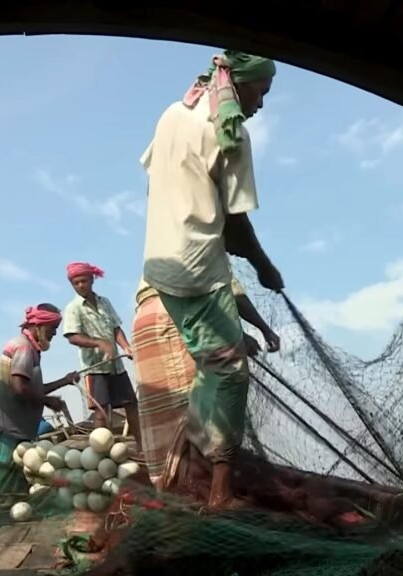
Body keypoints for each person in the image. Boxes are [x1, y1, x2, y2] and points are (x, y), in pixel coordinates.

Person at [140, 50, 284, 509]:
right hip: (197, 271)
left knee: (210, 365)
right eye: (260, 91)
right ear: (239, 82)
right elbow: (237, 225)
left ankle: (190, 471)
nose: (260, 103)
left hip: (160, 267)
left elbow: (156, 175)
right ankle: (219, 492)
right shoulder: (231, 133)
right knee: (230, 372)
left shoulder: (173, 113)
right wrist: (264, 265)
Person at [132, 271, 280, 488]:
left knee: (167, 417)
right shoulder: (205, 238)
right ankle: (200, 488)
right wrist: (263, 330)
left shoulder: (162, 240)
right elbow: (228, 291)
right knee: (200, 405)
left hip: (147, 320)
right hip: (174, 317)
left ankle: (170, 484)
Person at [0, 304, 78, 496]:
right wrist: (47, 401)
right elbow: (19, 388)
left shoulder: (30, 349)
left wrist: (64, 381)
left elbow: (31, 388)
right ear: (40, 326)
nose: (54, 333)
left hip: (16, 430)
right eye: (52, 328)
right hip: (8, 430)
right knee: (6, 489)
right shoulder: (24, 348)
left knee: (14, 488)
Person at [62, 262, 142, 449]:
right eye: (76, 283)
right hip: (95, 368)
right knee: (100, 410)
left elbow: (115, 328)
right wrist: (98, 343)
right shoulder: (73, 308)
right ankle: (99, 453)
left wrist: (126, 347)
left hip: (115, 366)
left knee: (131, 404)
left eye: (83, 281)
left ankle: (142, 448)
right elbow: (72, 337)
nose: (80, 285)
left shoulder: (104, 302)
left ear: (92, 279)